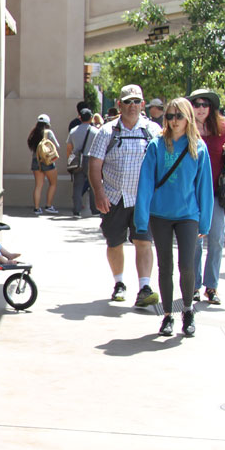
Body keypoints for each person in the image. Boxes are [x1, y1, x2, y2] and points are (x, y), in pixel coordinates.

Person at [133, 98, 213, 337]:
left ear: (188, 117)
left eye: (178, 116)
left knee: (187, 266)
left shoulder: (198, 146)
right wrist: (141, 217)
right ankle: (167, 315)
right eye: (169, 116)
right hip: (160, 214)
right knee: (165, 266)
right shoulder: (157, 145)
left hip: (188, 215)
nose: (174, 121)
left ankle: (187, 310)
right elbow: (145, 182)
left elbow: (204, 187)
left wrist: (205, 221)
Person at [86, 83, 163, 304]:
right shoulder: (107, 131)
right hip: (114, 198)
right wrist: (99, 193)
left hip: (143, 200)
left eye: (136, 101)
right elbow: (94, 164)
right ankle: (119, 283)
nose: (132, 106)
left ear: (143, 104)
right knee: (114, 242)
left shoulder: (153, 132)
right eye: (128, 102)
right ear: (119, 104)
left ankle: (145, 287)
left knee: (144, 242)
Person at [188, 88, 225, 305]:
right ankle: (195, 285)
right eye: (196, 104)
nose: (200, 109)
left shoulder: (223, 128)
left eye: (204, 104)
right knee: (195, 242)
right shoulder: (186, 127)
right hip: (190, 194)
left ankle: (212, 286)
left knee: (216, 238)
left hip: (215, 194)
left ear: (211, 107)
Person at [67, 108, 99, 216]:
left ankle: (77, 210)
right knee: (93, 185)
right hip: (91, 159)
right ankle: (95, 209)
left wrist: (70, 161)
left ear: (80, 117)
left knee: (77, 185)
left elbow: (69, 147)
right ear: (91, 118)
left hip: (77, 159)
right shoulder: (95, 131)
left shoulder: (73, 131)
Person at [27, 114, 61, 215]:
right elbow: (57, 146)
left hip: (35, 160)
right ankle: (48, 206)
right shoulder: (48, 132)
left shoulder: (33, 133)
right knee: (53, 183)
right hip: (47, 161)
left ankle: (37, 208)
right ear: (47, 124)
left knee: (38, 185)